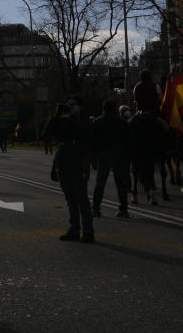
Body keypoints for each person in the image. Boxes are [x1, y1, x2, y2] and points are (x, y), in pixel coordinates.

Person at [48, 101, 94, 242]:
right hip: (63, 163)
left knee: (81, 200)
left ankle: (87, 232)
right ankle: (74, 229)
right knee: (71, 200)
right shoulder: (58, 122)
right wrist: (56, 117)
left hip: (75, 163)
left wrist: (74, 118)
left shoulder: (80, 122)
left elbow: (86, 137)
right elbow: (47, 132)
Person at [91, 99, 131, 218]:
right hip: (119, 156)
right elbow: (128, 141)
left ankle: (96, 208)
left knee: (100, 183)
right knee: (120, 184)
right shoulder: (122, 122)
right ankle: (123, 209)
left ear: (103, 109)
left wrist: (93, 158)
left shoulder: (97, 122)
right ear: (115, 109)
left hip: (103, 155)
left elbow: (93, 141)